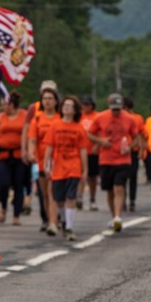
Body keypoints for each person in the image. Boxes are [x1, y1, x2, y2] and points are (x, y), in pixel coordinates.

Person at [88, 93, 140, 232]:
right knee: (110, 190)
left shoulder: (129, 119)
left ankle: (118, 217)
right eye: (114, 109)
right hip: (106, 159)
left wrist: (129, 147)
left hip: (123, 159)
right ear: (109, 106)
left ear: (122, 106)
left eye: (118, 109)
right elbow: (90, 133)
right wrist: (101, 141)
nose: (116, 112)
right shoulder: (100, 117)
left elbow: (136, 137)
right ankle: (114, 217)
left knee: (119, 186)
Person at [43, 95, 90, 240]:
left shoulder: (79, 128)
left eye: (70, 106)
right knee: (59, 199)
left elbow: (82, 150)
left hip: (73, 166)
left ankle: (69, 228)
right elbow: (49, 147)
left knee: (71, 197)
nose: (66, 107)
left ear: (75, 110)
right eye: (65, 105)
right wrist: (46, 164)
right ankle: (64, 222)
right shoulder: (55, 126)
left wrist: (85, 169)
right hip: (58, 167)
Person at [0, 91, 28, 225]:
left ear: (12, 104)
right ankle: (3, 207)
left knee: (18, 185)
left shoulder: (24, 115)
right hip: (3, 155)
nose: (2, 107)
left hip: (19, 156)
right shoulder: (0, 117)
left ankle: (16, 215)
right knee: (3, 184)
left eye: (4, 104)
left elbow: (29, 133)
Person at [26, 86, 61, 233]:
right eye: (45, 99)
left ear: (55, 101)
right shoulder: (38, 118)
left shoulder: (60, 116)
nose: (47, 101)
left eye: (50, 99)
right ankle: (48, 219)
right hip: (42, 160)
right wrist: (30, 152)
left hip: (58, 160)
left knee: (54, 191)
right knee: (45, 192)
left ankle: (55, 220)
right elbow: (32, 139)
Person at [77, 96, 101, 211]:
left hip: (92, 150)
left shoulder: (97, 116)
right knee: (79, 175)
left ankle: (92, 199)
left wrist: (97, 145)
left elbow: (101, 132)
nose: (86, 107)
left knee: (92, 177)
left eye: (88, 105)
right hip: (80, 150)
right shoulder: (78, 116)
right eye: (84, 104)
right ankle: (79, 197)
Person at [123, 98, 146, 212]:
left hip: (133, 150)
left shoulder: (137, 118)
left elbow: (141, 135)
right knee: (122, 177)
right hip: (122, 151)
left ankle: (132, 200)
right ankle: (122, 200)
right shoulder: (119, 118)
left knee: (132, 177)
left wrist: (141, 150)